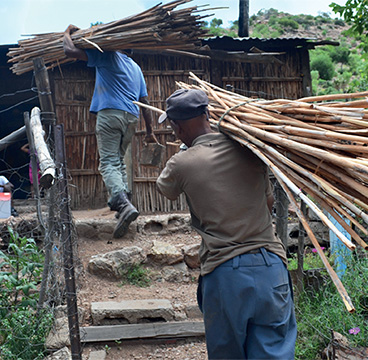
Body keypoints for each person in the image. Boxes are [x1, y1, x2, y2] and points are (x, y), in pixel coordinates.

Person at [156, 89, 297, 359]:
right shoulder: (251, 148)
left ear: (176, 126)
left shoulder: (182, 163)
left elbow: (165, 188)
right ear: (208, 113)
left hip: (226, 272)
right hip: (271, 268)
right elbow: (268, 203)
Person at [62, 24, 157, 238]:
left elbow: (69, 51)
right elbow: (145, 101)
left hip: (111, 115)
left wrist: (67, 32)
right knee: (119, 161)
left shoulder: (108, 56)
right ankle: (127, 202)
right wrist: (150, 130)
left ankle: (122, 205)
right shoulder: (136, 68)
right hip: (131, 118)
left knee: (108, 162)